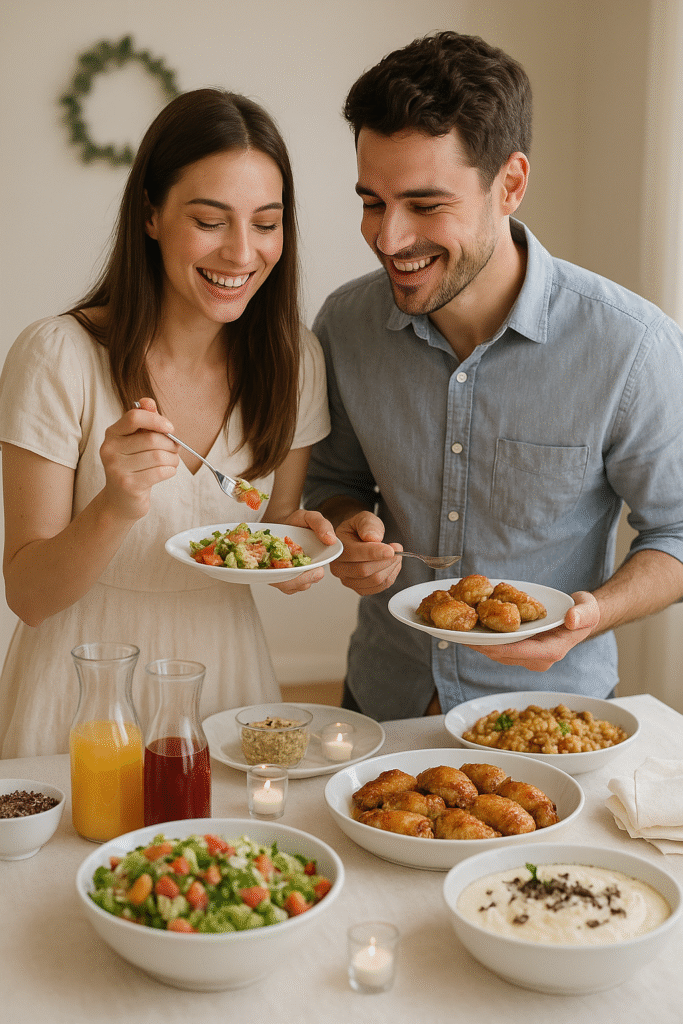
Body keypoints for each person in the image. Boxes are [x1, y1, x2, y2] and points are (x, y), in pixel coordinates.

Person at [304, 31, 683, 721]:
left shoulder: (632, 347)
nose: (388, 239)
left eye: (424, 205)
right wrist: (346, 528)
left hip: (549, 719)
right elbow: (332, 481)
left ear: (508, 184)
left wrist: (589, 616)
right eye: (371, 202)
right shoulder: (344, 324)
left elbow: (678, 531)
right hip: (378, 706)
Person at [0, 88, 334, 756]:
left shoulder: (293, 358)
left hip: (228, 684)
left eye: (266, 223)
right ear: (150, 214)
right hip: (84, 685)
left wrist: (302, 549)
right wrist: (115, 505)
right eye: (210, 220)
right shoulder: (57, 355)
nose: (242, 253)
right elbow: (29, 596)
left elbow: (273, 530)